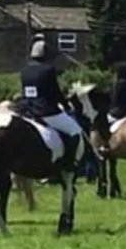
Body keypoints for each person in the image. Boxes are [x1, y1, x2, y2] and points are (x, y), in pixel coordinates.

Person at [18, 39, 83, 167]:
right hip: (45, 111)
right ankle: (69, 163)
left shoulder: (24, 70)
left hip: (26, 110)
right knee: (75, 130)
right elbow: (55, 92)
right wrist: (66, 105)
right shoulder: (48, 70)